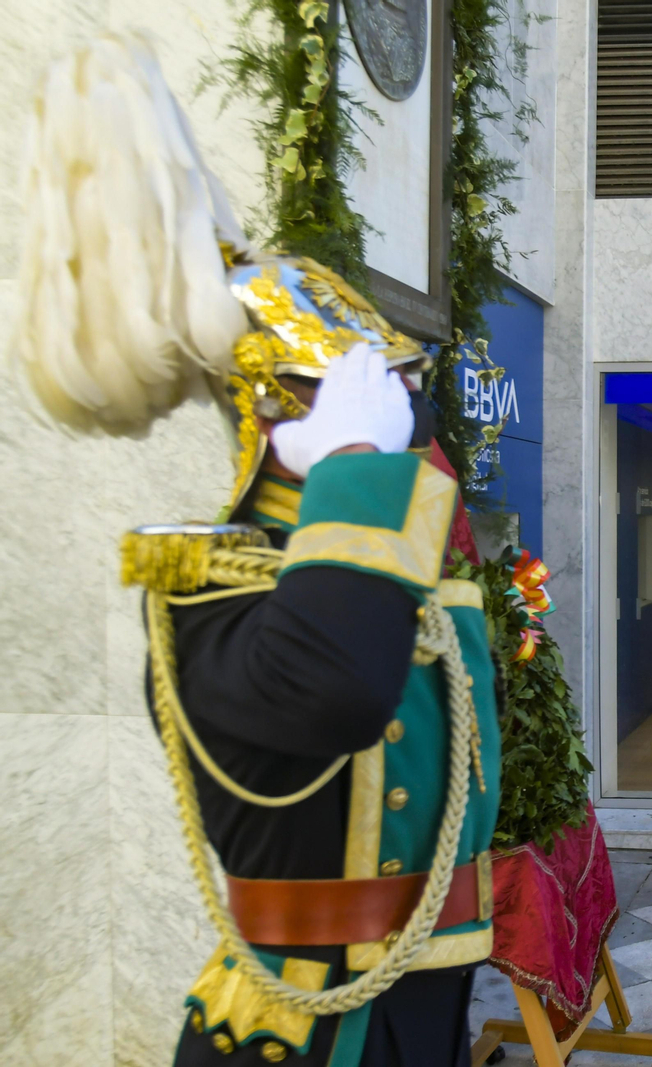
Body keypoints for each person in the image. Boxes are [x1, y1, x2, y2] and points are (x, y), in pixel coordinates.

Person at [16, 37, 502, 1064]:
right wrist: (352, 469)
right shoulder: (210, 593)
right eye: (375, 402)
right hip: (308, 1032)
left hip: (413, 1017)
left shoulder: (371, 572)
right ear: (290, 429)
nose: (410, 419)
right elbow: (334, 687)